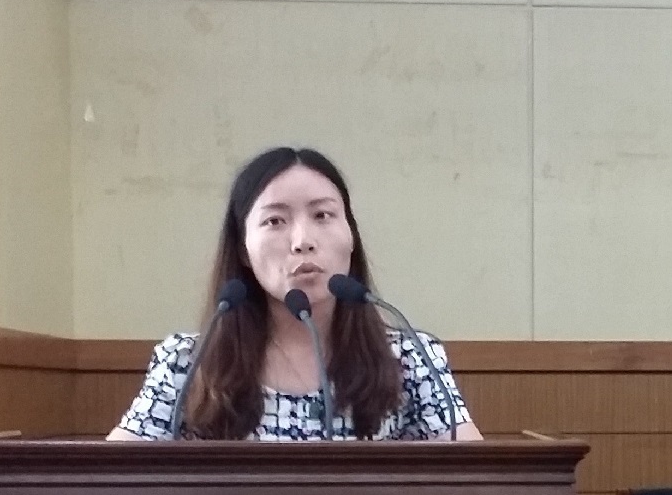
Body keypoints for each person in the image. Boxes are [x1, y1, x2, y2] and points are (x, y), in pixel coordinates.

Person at [107, 146, 482, 442]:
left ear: (351, 235)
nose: (302, 241)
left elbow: (473, 483)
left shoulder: (411, 358)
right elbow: (109, 483)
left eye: (322, 216)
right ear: (243, 251)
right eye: (275, 221)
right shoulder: (188, 362)